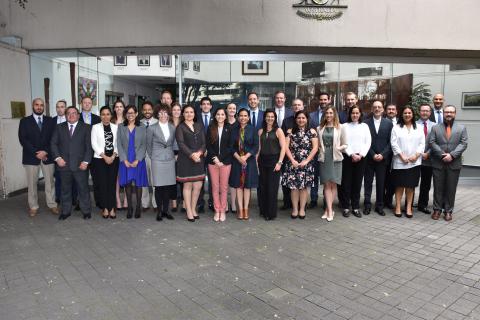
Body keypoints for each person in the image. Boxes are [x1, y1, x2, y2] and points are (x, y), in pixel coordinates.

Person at [51, 106, 93, 220]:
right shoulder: (59, 127)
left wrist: (86, 161)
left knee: (83, 189)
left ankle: (86, 211)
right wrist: (58, 158)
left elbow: (89, 147)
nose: (71, 115)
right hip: (64, 165)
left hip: (81, 165)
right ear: (65, 115)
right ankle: (66, 211)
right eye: (68, 113)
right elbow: (53, 144)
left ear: (78, 115)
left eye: (74, 113)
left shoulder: (86, 128)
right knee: (65, 189)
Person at [18, 98, 58, 217]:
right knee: (32, 183)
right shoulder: (24, 121)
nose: (39, 107)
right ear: (33, 106)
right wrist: (37, 152)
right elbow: (23, 139)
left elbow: (53, 138)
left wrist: (45, 151)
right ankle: (33, 206)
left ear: (43, 107)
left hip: (48, 156)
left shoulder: (50, 121)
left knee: (50, 183)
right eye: (37, 105)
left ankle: (52, 204)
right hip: (31, 157)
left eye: (41, 105)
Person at [429, 105, 468, 221]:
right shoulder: (436, 128)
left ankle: (448, 211)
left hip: (454, 163)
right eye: (446, 112)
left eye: (451, 112)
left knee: (451, 188)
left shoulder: (461, 128)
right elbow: (432, 142)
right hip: (438, 162)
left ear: (455, 114)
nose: (449, 114)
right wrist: (442, 154)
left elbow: (464, 144)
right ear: (443, 113)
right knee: (438, 187)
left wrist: (452, 155)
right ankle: (437, 209)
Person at [282, 110, 318, 219]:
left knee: (303, 188)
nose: (301, 120)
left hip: (306, 163)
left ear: (307, 119)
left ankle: (302, 209)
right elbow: (286, 147)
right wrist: (292, 160)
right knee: (294, 188)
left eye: (303, 118)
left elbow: (315, 148)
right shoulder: (289, 131)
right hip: (293, 163)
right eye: (299, 118)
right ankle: (295, 209)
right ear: (295, 119)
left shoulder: (312, 131)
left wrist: (306, 161)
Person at [390, 106, 425, 218]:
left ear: (413, 114)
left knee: (410, 186)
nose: (407, 115)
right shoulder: (396, 128)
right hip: (400, 162)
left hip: (414, 162)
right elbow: (393, 143)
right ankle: (398, 207)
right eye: (405, 113)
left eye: (409, 113)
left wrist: (416, 155)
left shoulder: (419, 127)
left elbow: (422, 143)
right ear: (402, 114)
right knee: (399, 186)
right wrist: (401, 156)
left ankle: (409, 207)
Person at [117, 105, 149, 219]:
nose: (130, 115)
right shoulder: (121, 127)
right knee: (127, 184)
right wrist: (124, 159)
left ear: (136, 114)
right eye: (128, 113)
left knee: (138, 184)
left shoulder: (142, 127)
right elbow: (119, 144)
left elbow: (144, 144)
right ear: (125, 114)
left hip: (138, 159)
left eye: (132, 113)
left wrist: (138, 159)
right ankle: (130, 207)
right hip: (125, 159)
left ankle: (138, 206)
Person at [176, 104, 206, 222]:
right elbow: (181, 144)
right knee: (187, 186)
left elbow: (204, 143)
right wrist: (192, 155)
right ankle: (188, 210)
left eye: (191, 112)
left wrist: (199, 153)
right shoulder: (180, 127)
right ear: (183, 114)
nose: (189, 114)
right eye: (187, 112)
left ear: (194, 114)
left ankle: (193, 209)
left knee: (198, 186)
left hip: (199, 159)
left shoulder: (199, 126)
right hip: (186, 160)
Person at [146, 104, 176, 221]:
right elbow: (148, 145)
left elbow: (173, 143)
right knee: (158, 187)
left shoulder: (172, 127)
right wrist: (153, 156)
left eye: (165, 113)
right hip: (157, 159)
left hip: (169, 159)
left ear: (168, 115)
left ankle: (166, 210)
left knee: (168, 186)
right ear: (157, 114)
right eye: (161, 113)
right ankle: (159, 211)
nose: (163, 115)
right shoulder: (151, 128)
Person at [340, 106, 371, 218]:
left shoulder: (364, 126)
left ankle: (356, 207)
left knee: (357, 183)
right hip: (347, 157)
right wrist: (351, 154)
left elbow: (368, 142)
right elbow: (342, 142)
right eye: (353, 113)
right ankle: (346, 207)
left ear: (360, 114)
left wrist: (361, 154)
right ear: (350, 114)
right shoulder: (344, 126)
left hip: (361, 158)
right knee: (346, 183)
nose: (355, 115)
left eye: (357, 113)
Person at [363, 100, 393, 216]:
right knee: (368, 183)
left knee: (381, 183)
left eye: (379, 107)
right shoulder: (365, 123)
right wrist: (372, 154)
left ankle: (379, 206)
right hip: (369, 158)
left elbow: (391, 142)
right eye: (375, 107)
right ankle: (367, 205)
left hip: (382, 159)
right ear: (371, 109)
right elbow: (364, 141)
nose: (377, 109)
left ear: (383, 109)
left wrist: (383, 154)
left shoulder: (388, 123)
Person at [317, 107, 347, 222]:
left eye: (331, 113)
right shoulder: (319, 128)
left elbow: (346, 144)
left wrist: (339, 148)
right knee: (326, 184)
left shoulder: (340, 127)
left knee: (333, 184)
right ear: (324, 115)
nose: (328, 115)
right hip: (325, 158)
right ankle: (329, 210)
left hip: (336, 158)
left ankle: (329, 210)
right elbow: (318, 144)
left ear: (334, 114)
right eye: (326, 113)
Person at [229, 108, 259, 220]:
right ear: (238, 117)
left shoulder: (253, 129)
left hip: (249, 161)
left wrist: (246, 157)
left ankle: (246, 209)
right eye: (241, 115)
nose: (243, 118)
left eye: (245, 115)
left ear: (249, 117)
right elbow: (230, 147)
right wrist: (239, 158)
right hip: (237, 161)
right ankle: (240, 209)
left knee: (247, 186)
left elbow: (256, 146)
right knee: (238, 186)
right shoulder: (233, 130)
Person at [91, 106, 119, 219]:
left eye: (108, 114)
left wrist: (112, 156)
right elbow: (93, 143)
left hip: (114, 159)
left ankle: (112, 207)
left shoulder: (116, 127)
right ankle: (105, 208)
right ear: (100, 116)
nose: (105, 116)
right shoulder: (95, 127)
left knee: (112, 184)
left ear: (111, 115)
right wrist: (104, 156)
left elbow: (118, 144)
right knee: (102, 184)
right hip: (99, 159)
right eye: (103, 114)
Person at [258, 109, 286, 220]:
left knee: (272, 187)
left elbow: (283, 147)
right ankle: (263, 210)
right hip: (262, 161)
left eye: (272, 116)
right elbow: (259, 149)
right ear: (264, 118)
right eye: (268, 116)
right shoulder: (260, 131)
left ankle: (270, 213)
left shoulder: (278, 131)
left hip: (274, 161)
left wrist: (280, 162)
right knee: (263, 187)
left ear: (275, 118)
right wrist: (256, 162)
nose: (270, 118)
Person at [206, 108, 233, 222]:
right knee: (215, 187)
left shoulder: (230, 128)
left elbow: (230, 146)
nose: (220, 116)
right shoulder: (210, 128)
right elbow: (208, 145)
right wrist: (215, 159)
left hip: (225, 162)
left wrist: (221, 159)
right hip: (213, 162)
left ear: (225, 116)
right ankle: (217, 210)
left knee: (224, 187)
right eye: (218, 114)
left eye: (222, 114)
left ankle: (223, 210)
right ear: (215, 116)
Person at [281, 98, 305, 210]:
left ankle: (301, 205)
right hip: (289, 157)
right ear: (292, 107)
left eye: (299, 105)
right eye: (295, 105)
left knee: (302, 183)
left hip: (304, 157)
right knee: (288, 182)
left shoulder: (307, 119)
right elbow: (282, 140)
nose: (297, 107)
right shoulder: (286, 121)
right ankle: (287, 203)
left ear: (303, 106)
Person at [308, 92, 330, 209]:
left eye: (325, 100)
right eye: (321, 100)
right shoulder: (311, 116)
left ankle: (327, 200)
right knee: (314, 176)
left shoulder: (333, 115)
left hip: (328, 152)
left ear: (329, 100)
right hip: (314, 151)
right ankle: (314, 199)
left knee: (326, 177)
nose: (323, 102)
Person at [78, 96, 101, 207]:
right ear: (81, 104)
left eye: (89, 103)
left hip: (95, 154)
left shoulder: (97, 118)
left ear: (92, 105)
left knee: (97, 180)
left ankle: (98, 201)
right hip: (81, 155)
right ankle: (81, 202)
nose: (87, 104)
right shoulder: (76, 118)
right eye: (85, 102)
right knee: (81, 181)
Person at [53, 99, 75, 206]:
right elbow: (52, 141)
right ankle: (59, 198)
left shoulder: (73, 120)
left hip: (72, 157)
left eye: (62, 107)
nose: (59, 109)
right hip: (57, 156)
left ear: (65, 108)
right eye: (58, 107)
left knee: (73, 180)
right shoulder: (51, 121)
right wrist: (56, 157)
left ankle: (73, 199)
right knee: (58, 178)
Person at [416, 104, 436, 214]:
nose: (424, 113)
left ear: (430, 113)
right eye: (422, 110)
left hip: (428, 159)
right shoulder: (413, 124)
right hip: (415, 158)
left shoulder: (435, 126)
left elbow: (437, 142)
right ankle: (408, 204)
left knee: (426, 184)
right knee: (411, 183)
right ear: (419, 111)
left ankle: (422, 205)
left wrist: (428, 153)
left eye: (427, 111)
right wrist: (418, 153)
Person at [140, 101, 158, 212]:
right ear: (142, 111)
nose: (147, 111)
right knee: (144, 182)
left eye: (149, 109)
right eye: (145, 109)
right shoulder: (139, 123)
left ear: (152, 110)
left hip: (154, 156)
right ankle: (145, 204)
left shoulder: (158, 122)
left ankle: (156, 204)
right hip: (142, 157)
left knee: (155, 181)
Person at [197, 97, 214, 212]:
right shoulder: (196, 118)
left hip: (212, 154)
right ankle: (200, 203)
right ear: (200, 106)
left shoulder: (216, 117)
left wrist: (209, 149)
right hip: (200, 153)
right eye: (204, 104)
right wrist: (202, 150)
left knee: (213, 180)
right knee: (200, 179)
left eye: (208, 104)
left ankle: (212, 202)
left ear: (211, 106)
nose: (206, 106)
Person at [112, 100, 128, 211]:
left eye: (120, 106)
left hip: (126, 153)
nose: (118, 108)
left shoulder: (128, 121)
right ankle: (117, 200)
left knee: (126, 177)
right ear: (114, 109)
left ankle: (126, 200)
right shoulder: (111, 121)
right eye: (116, 107)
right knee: (116, 178)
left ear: (124, 108)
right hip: (114, 153)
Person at [384, 103, 398, 208]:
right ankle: (382, 199)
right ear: (385, 111)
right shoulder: (382, 122)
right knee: (384, 179)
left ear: (396, 111)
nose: (391, 111)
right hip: (385, 155)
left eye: (393, 109)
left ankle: (388, 200)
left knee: (393, 179)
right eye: (389, 109)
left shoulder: (400, 123)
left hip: (397, 156)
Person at [226, 102, 238, 214]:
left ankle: (233, 204)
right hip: (224, 156)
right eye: (230, 108)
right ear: (226, 110)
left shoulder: (239, 124)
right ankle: (224, 203)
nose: (232, 110)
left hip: (235, 156)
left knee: (233, 181)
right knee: (224, 181)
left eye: (234, 108)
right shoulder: (223, 122)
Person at [170, 102, 182, 212]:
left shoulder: (184, 123)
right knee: (172, 179)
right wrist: (172, 154)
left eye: (178, 109)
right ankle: (174, 202)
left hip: (183, 153)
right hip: (170, 153)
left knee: (183, 179)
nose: (176, 112)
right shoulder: (167, 123)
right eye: (174, 109)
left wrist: (179, 154)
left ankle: (183, 203)